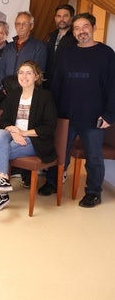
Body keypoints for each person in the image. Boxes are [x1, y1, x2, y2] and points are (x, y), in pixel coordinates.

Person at [46, 13, 115, 207]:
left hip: (94, 117)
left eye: (85, 26)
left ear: (93, 28)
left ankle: (93, 192)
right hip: (65, 115)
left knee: (93, 157)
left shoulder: (106, 53)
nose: (81, 31)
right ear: (73, 31)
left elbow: (113, 86)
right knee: (59, 152)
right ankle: (53, 182)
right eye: (76, 28)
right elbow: (57, 84)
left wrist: (110, 115)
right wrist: (53, 112)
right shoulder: (67, 53)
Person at [0, 61, 57, 211]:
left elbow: (49, 126)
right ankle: (3, 183)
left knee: (1, 151)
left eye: (29, 73)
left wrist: (24, 133)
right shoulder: (14, 94)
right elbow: (4, 120)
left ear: (36, 76)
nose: (24, 76)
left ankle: (1, 195)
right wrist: (13, 130)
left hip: (35, 140)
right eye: (21, 72)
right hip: (13, 136)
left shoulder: (45, 96)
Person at [0, 11, 47, 92]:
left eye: (25, 24)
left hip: (27, 92)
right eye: (18, 24)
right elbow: (1, 68)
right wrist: (4, 86)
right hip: (7, 92)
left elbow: (38, 72)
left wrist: (24, 90)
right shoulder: (9, 46)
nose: (21, 27)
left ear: (31, 26)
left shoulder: (39, 47)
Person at [44, 4, 77, 88]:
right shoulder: (51, 36)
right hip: (49, 83)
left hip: (67, 84)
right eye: (59, 16)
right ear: (55, 18)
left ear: (72, 18)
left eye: (65, 16)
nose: (61, 19)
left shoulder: (76, 37)